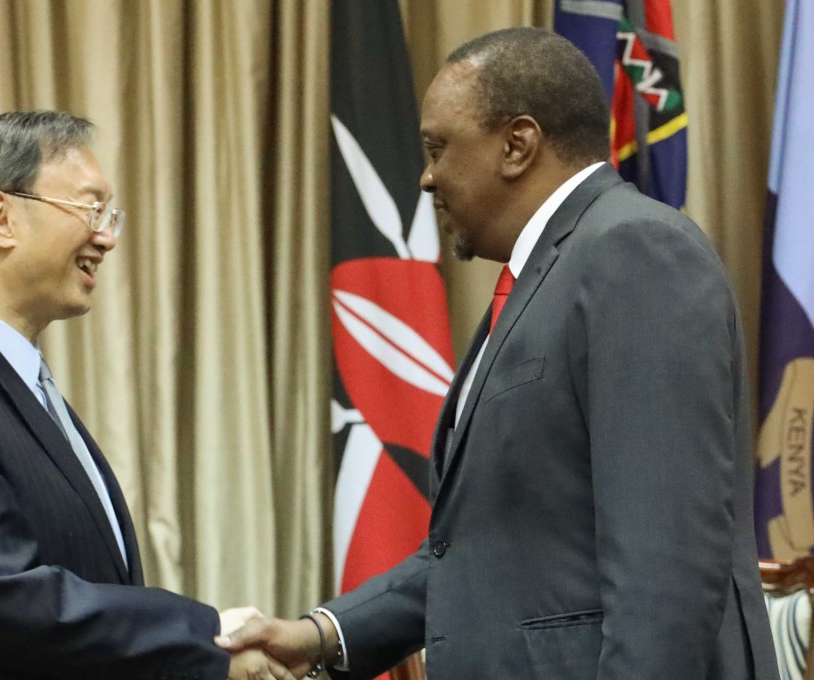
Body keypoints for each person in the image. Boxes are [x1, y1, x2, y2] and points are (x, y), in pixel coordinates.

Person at [219, 27, 778, 680]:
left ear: (517, 145)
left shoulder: (636, 253)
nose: (426, 177)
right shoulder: (544, 276)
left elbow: (666, 571)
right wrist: (318, 635)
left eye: (439, 148)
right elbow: (481, 550)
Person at [0, 111, 289, 680]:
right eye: (91, 209)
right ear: (1, 218)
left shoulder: (7, 374)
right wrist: (206, 640)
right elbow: (12, 602)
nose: (107, 237)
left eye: (110, 215)